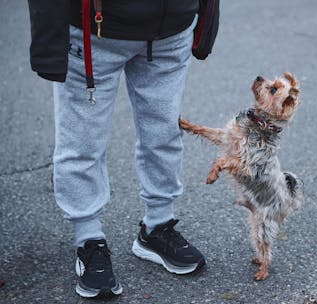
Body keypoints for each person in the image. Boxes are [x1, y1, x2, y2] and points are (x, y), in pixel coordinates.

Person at [28, 0, 206, 298]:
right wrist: (47, 43)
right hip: (94, 30)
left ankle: (158, 226)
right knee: (82, 143)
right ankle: (88, 240)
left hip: (171, 29)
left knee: (164, 134)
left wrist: (202, 14)